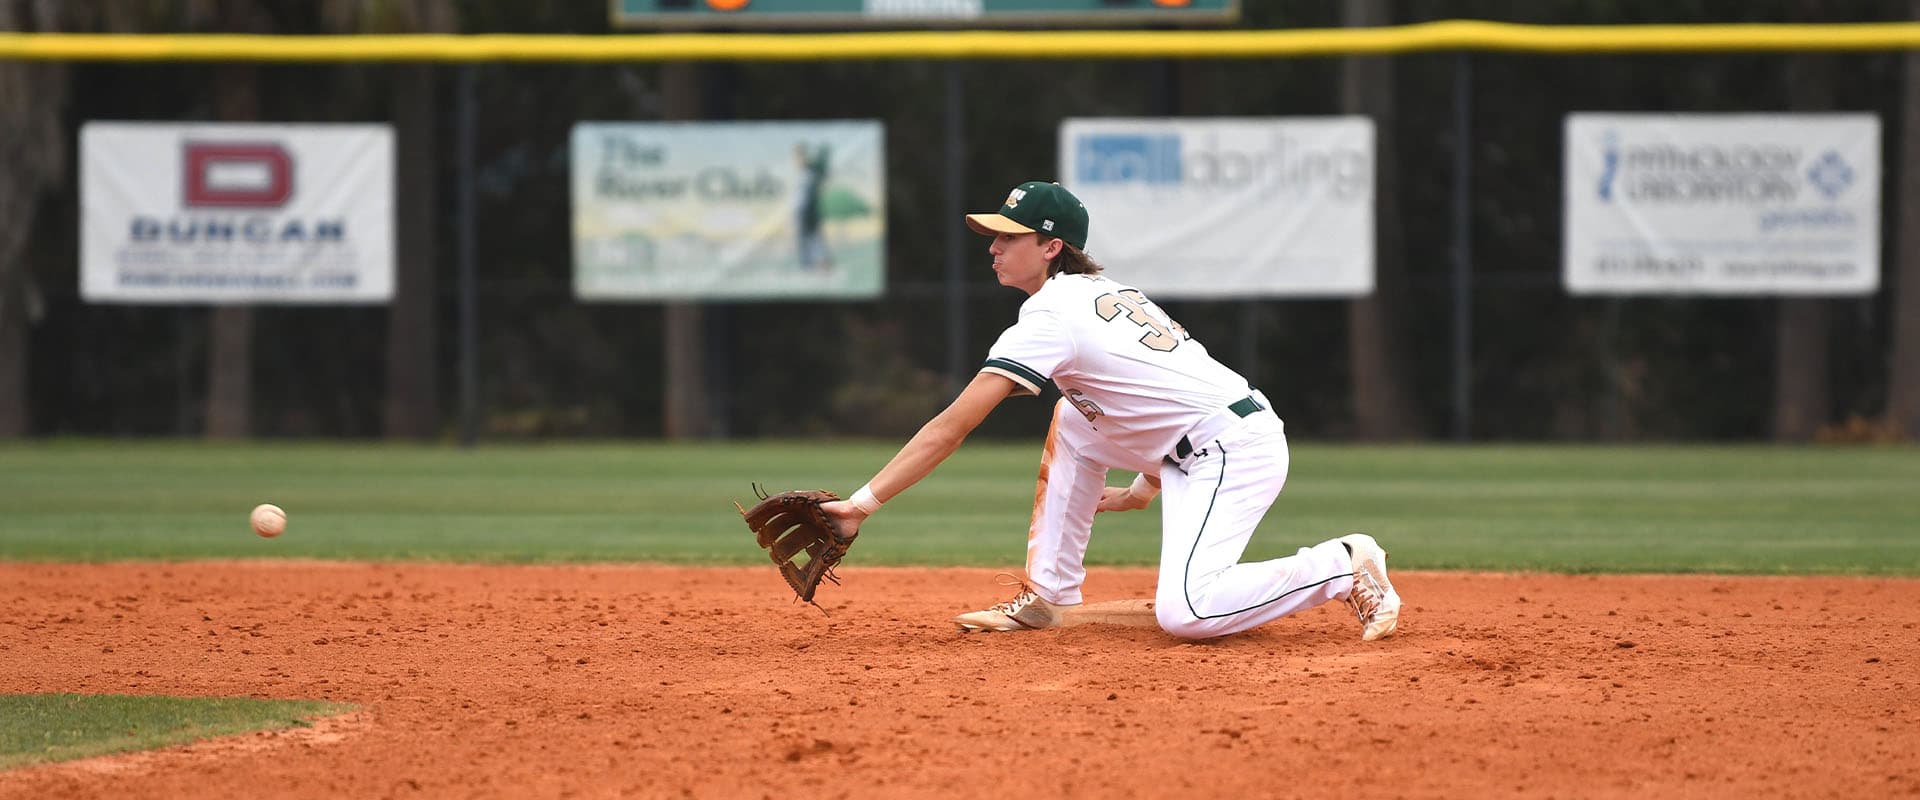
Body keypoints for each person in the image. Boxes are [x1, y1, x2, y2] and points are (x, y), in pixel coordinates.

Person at [819, 180, 1401, 641]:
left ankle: (1340, 562)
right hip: (1206, 436)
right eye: (993, 236)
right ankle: (1050, 596)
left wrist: (861, 505)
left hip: (1233, 450)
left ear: (1052, 249)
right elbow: (1151, 398)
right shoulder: (1097, 294)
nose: (993, 247)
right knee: (1075, 416)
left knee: (1189, 611)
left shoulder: (1052, 315)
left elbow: (954, 425)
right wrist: (1142, 490)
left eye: (1010, 237)